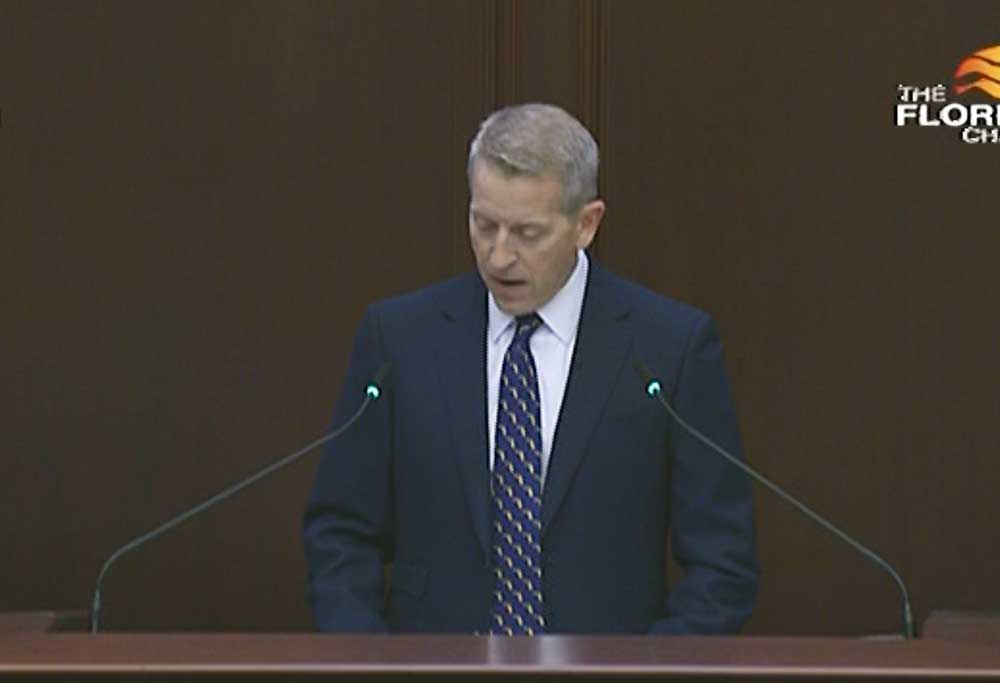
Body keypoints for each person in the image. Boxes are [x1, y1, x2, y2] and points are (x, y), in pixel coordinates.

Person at [303, 103, 759, 635]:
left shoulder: (667, 348)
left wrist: (648, 670)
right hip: (433, 665)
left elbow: (722, 563)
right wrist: (372, 661)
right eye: (484, 225)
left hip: (607, 669)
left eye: (527, 233)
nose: (499, 256)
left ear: (586, 224)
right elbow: (340, 533)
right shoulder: (401, 339)